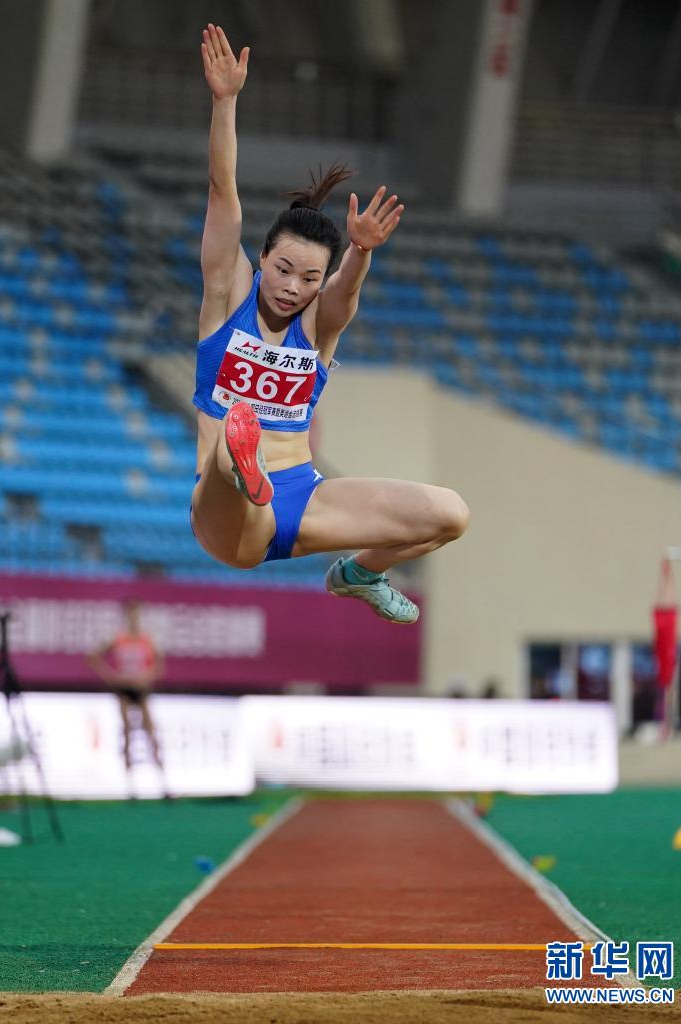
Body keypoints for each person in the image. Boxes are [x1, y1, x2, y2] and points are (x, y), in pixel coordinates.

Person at [191, 24, 470, 624]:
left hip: (305, 496)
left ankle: (360, 573)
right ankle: (243, 466)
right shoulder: (226, 292)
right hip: (227, 513)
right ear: (262, 258)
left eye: (308, 279)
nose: (293, 286)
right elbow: (223, 194)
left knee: (450, 514)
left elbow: (345, 288)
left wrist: (361, 251)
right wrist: (225, 102)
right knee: (233, 444)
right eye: (284, 269)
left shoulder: (320, 321)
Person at [88, 600, 167, 795]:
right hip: (124, 687)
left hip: (140, 689)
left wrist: (148, 677)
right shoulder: (118, 639)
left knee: (150, 730)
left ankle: (163, 780)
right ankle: (130, 782)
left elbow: (159, 664)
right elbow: (94, 657)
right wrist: (111, 676)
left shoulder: (147, 639)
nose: (133, 618)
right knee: (127, 731)